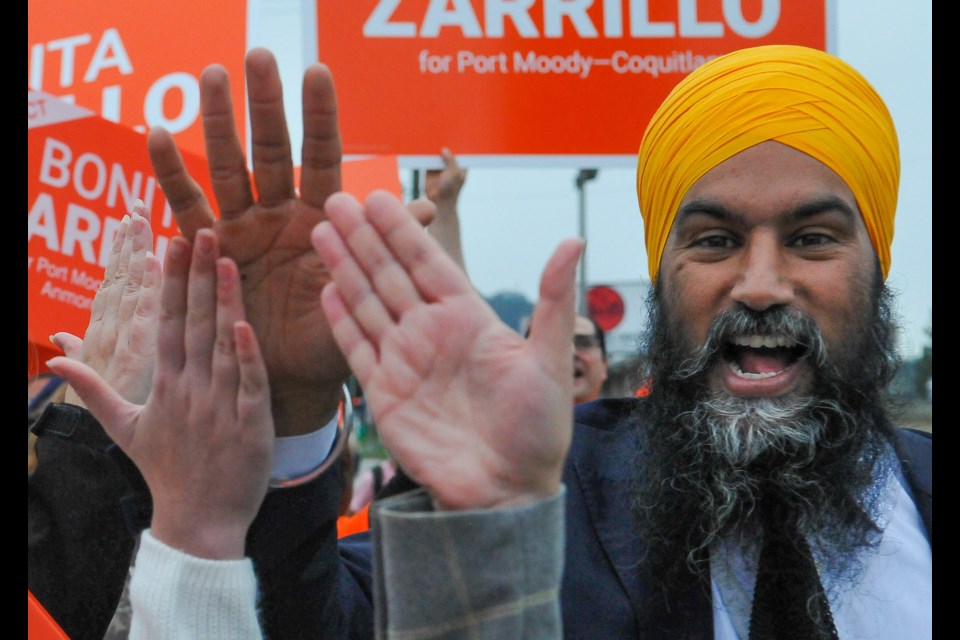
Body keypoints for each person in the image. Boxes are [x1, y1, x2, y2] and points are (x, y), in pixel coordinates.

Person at [307, 42, 929, 638]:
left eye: (811, 238)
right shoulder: (537, 486)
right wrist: (293, 413)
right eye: (716, 240)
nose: (760, 286)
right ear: (662, 276)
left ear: (878, 266)